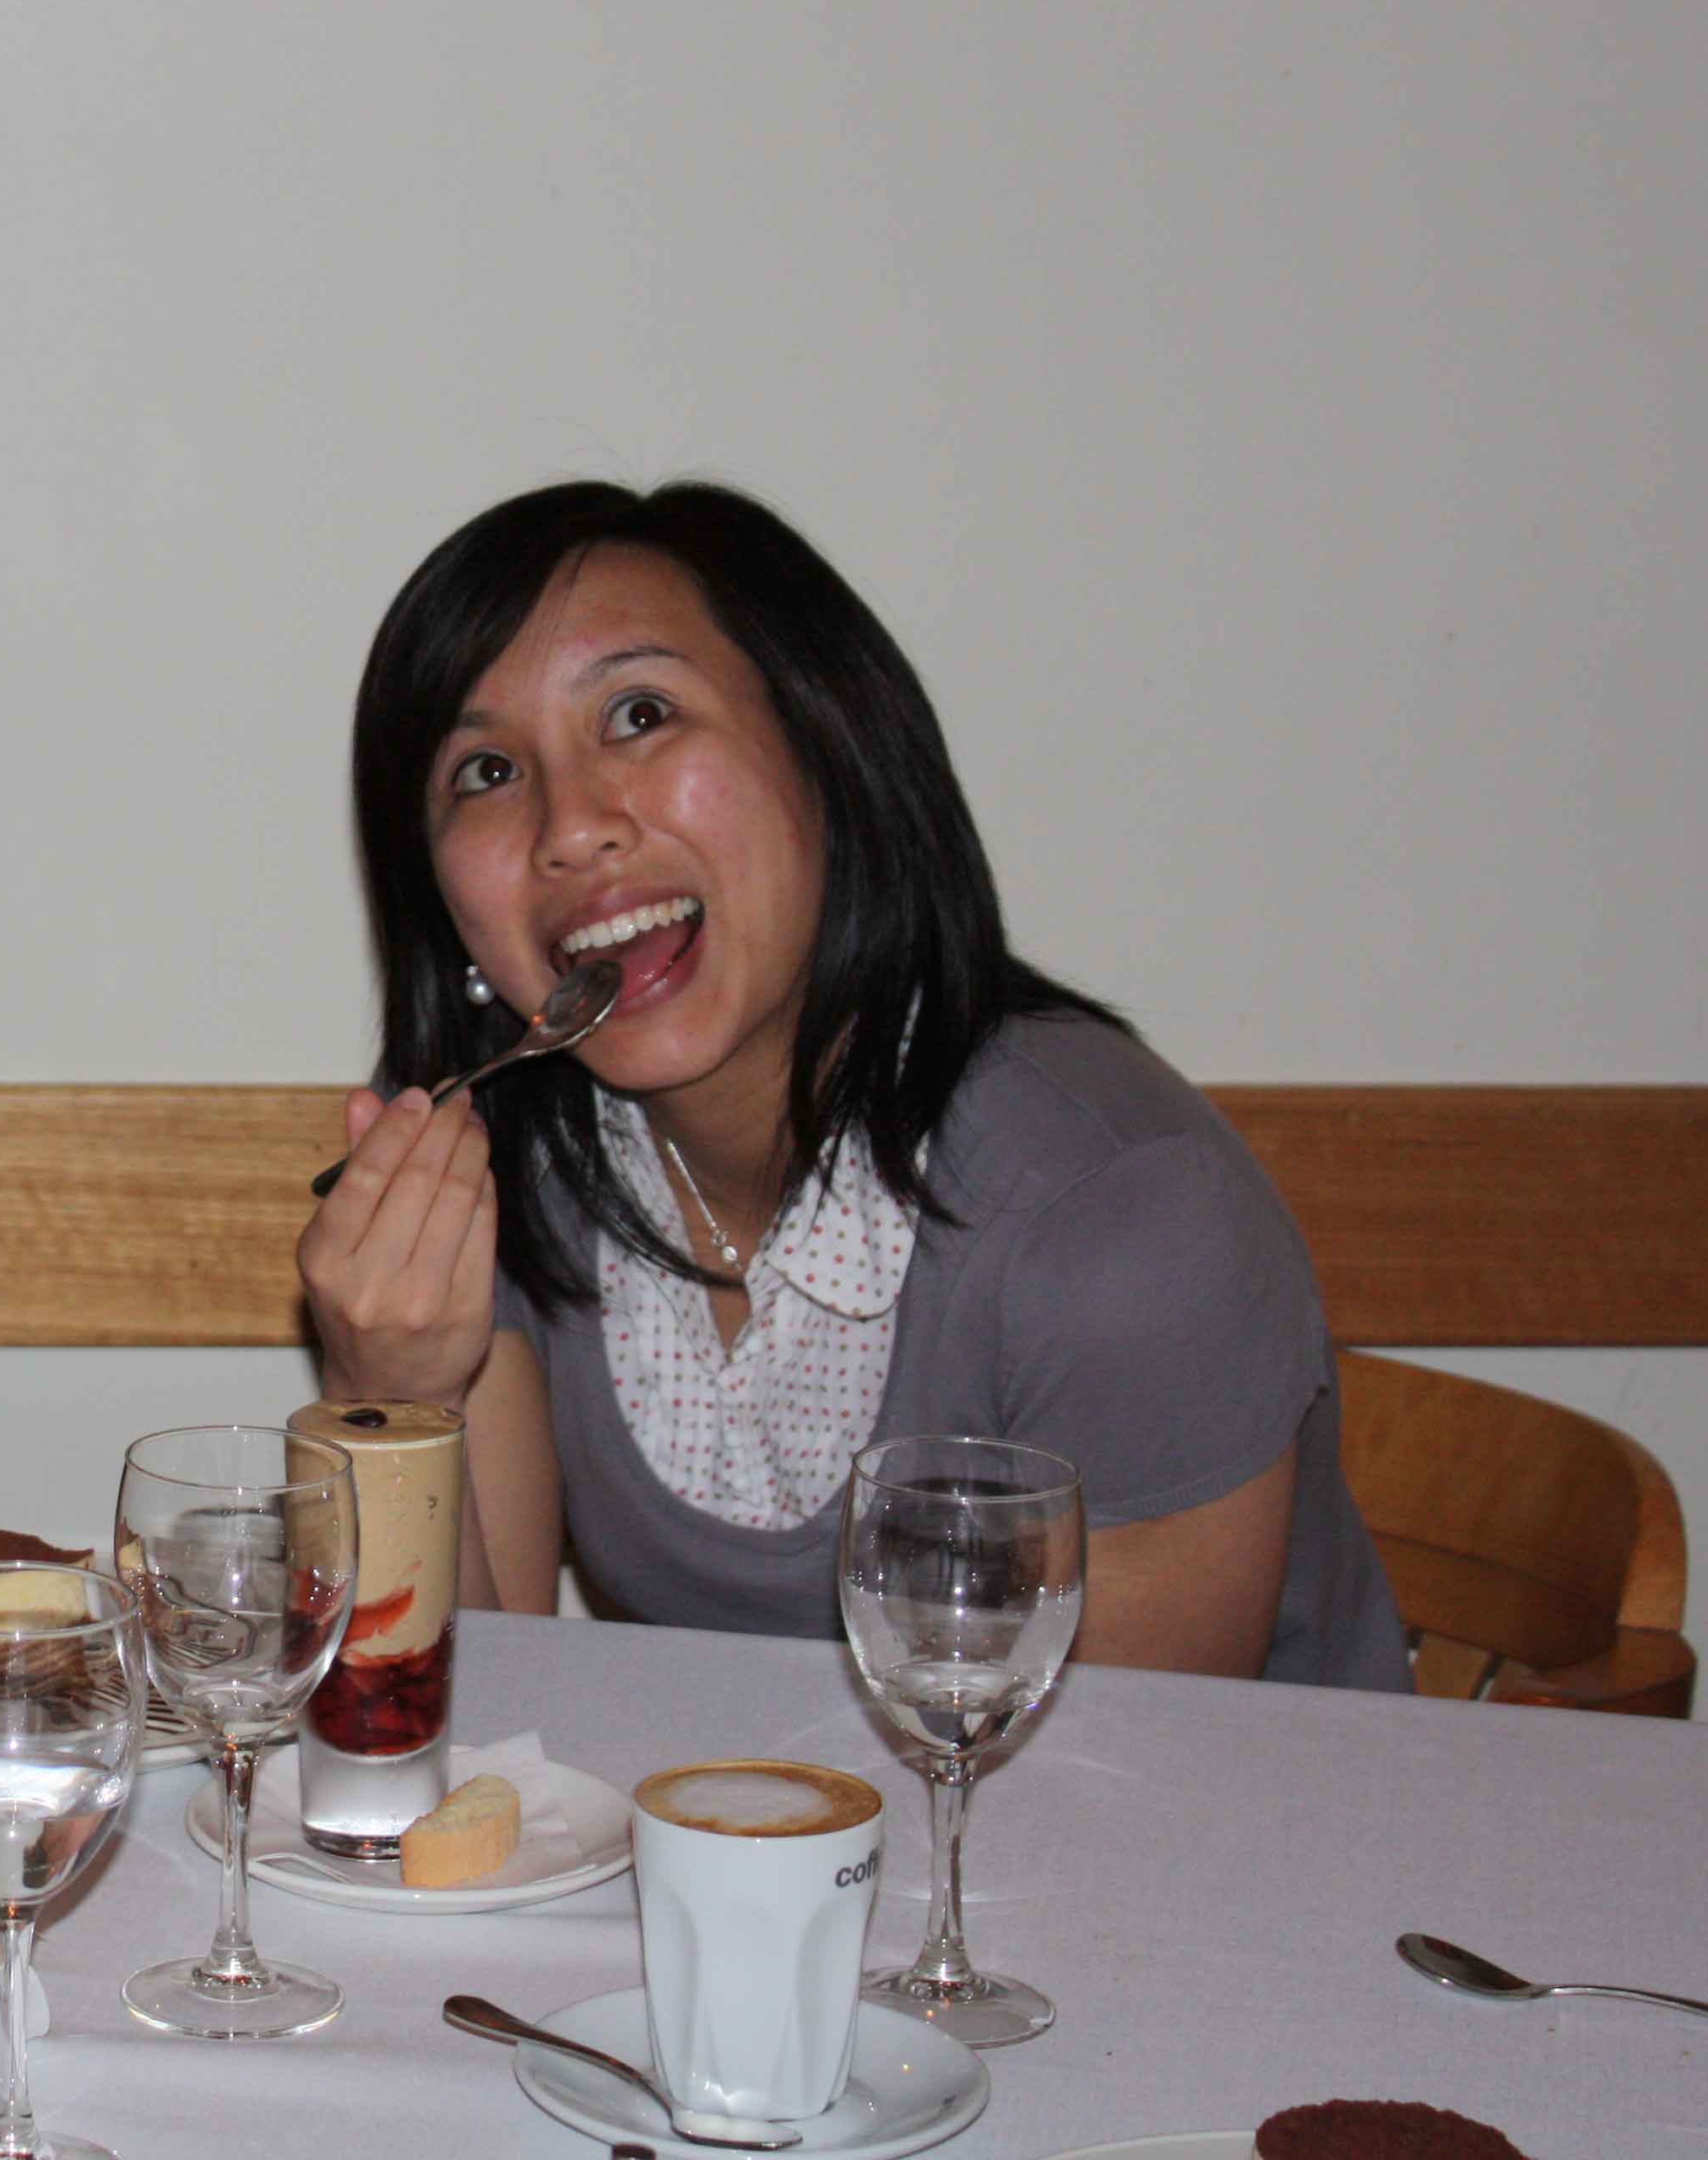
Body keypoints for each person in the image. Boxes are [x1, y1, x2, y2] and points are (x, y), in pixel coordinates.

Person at [298, 480, 1408, 1691]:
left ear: (829, 750)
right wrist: (387, 1396)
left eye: (639, 714)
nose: (569, 827)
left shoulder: (1123, 1218)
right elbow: (475, 1712)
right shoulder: (498, 1149)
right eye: (486, 771)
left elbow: (1121, 1786)